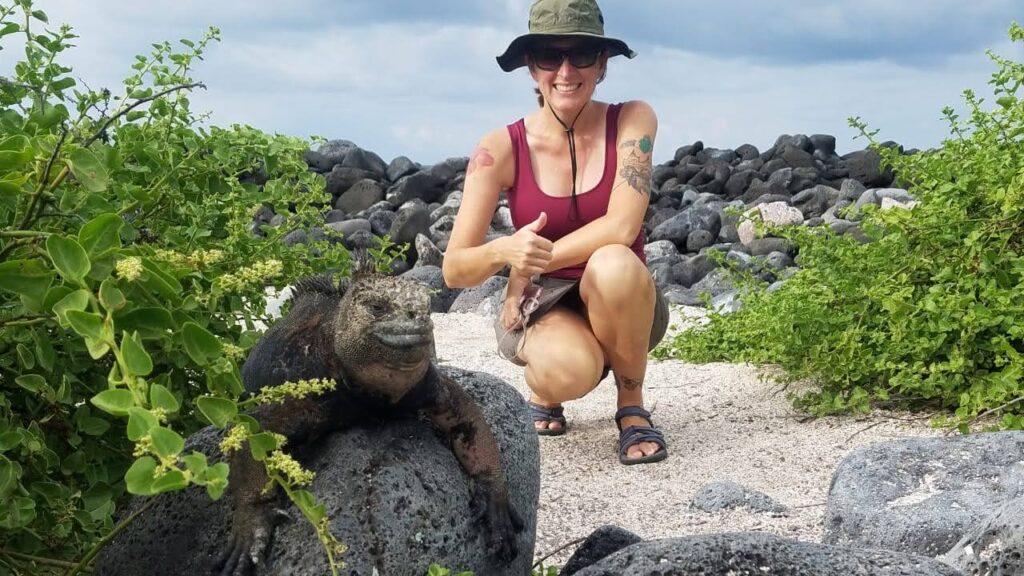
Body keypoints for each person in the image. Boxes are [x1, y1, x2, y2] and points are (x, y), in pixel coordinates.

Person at [441, 0, 669, 465]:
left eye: (582, 54)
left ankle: (631, 406)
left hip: (622, 299)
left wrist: (521, 274)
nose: (566, 70)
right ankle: (548, 387)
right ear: (531, 66)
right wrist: (507, 250)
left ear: (603, 64)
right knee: (570, 371)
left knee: (613, 260)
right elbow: (454, 268)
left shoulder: (632, 119)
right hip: (544, 305)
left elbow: (623, 226)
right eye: (550, 56)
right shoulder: (499, 147)